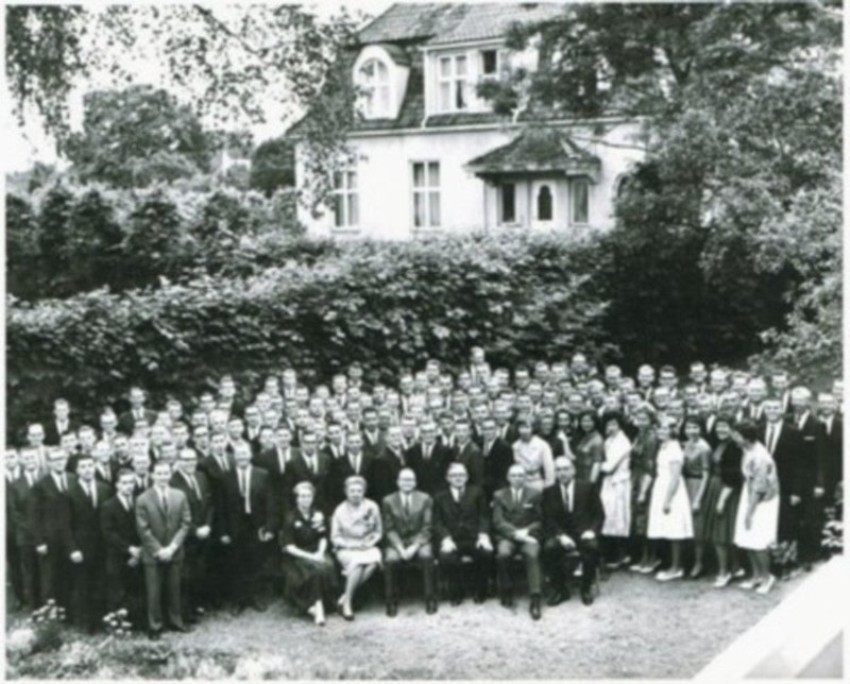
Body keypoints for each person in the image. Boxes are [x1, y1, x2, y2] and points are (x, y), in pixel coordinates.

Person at [135, 461, 192, 638]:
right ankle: (155, 626)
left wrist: (172, 547)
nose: (162, 477)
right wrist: (159, 550)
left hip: (175, 551)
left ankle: (176, 621)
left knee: (174, 589)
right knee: (154, 592)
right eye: (159, 473)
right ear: (152, 475)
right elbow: (143, 529)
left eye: (166, 473)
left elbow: (185, 523)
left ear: (170, 474)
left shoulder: (179, 495)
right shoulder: (143, 498)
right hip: (153, 554)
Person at [220, 442, 275, 613]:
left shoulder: (263, 474)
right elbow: (221, 507)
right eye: (239, 454)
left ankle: (255, 597)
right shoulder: (226, 477)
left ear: (250, 455)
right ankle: (239, 600)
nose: (242, 457)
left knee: (256, 561)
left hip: (256, 524)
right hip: (235, 525)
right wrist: (223, 532)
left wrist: (269, 527)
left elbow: (270, 503)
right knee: (237, 562)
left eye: (245, 453)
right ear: (234, 457)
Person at [542, 456, 604, 606]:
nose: (562, 473)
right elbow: (548, 518)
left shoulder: (587, 488)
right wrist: (560, 535)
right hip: (562, 534)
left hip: (583, 532)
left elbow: (599, 515)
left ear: (573, 470)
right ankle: (560, 590)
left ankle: (586, 587)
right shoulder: (550, 491)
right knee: (549, 548)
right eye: (558, 470)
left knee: (592, 547)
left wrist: (592, 531)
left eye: (566, 469)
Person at [432, 463, 493, 605]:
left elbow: (484, 517)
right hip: (452, 539)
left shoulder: (477, 493)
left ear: (466, 477)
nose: (458, 478)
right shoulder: (439, 497)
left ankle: (480, 590)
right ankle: (456, 591)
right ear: (447, 478)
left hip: (473, 538)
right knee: (446, 557)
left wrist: (483, 535)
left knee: (486, 553)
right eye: (454, 475)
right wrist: (446, 538)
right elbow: (437, 522)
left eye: (461, 475)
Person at [732, 420, 780, 594]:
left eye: (736, 435)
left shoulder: (760, 456)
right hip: (749, 494)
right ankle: (756, 576)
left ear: (746, 437)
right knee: (747, 538)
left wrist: (749, 512)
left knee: (758, 540)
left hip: (762, 501)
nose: (733, 437)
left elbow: (760, 488)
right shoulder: (747, 450)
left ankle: (767, 577)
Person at [280, 481, 337, 626]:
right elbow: (289, 547)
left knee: (328, 565)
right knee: (314, 571)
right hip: (297, 555)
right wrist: (311, 557)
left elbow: (323, 537)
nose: (306, 499)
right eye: (302, 496)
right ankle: (318, 608)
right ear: (297, 499)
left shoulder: (317, 515)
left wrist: (320, 553)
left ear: (313, 498)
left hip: (316, 551)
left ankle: (315, 607)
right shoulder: (290, 517)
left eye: (308, 496)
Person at [381, 468, 436, 616]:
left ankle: (430, 598)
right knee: (391, 559)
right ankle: (391, 601)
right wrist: (400, 548)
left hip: (419, 540)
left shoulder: (425, 498)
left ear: (415, 482)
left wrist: (415, 546)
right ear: (398, 482)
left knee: (426, 556)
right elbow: (389, 528)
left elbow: (427, 526)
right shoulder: (388, 500)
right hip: (397, 541)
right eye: (404, 480)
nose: (407, 483)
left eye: (410, 480)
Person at [68, 454, 112, 632]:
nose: (87, 470)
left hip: (103, 545)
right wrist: (72, 548)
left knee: (102, 582)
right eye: (83, 467)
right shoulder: (69, 492)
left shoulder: (105, 488)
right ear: (77, 471)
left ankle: (103, 618)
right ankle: (87, 622)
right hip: (82, 547)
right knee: (83, 584)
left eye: (90, 466)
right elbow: (64, 525)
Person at [492, 465, 543, 620]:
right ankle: (507, 589)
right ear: (508, 478)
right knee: (503, 554)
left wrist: (527, 531)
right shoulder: (499, 495)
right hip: (508, 536)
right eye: (513, 475)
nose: (517, 478)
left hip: (529, 535)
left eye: (521, 475)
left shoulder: (535, 494)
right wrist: (515, 533)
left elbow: (540, 519)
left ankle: (535, 598)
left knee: (532, 555)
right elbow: (498, 521)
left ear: (525, 477)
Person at [169, 447, 213, 623]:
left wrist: (208, 525)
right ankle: (184, 613)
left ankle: (196, 606)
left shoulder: (201, 477)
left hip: (204, 533)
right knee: (184, 576)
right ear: (178, 461)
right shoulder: (172, 482)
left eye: (193, 459)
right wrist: (195, 530)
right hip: (186, 536)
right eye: (186, 460)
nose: (190, 463)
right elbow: (175, 513)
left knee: (199, 572)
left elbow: (209, 503)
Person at [331, 475, 383, 620]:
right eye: (352, 491)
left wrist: (370, 543)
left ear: (364, 491)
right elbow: (335, 537)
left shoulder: (372, 506)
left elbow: (378, 531)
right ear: (346, 492)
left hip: (366, 545)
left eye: (359, 491)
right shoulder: (339, 510)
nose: (355, 494)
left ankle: (344, 597)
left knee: (374, 562)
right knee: (358, 564)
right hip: (346, 547)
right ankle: (348, 603)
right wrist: (351, 545)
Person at [646, 418, 693, 581]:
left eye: (665, 429)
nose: (661, 431)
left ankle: (676, 567)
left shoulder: (674, 448)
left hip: (672, 491)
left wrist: (667, 500)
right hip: (661, 486)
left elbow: (675, 477)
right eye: (659, 428)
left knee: (675, 530)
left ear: (673, 431)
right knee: (666, 528)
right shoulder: (663, 446)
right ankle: (671, 564)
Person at [29, 447, 76, 609]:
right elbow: (34, 516)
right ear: (48, 463)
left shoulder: (73, 479)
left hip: (71, 537)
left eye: (62, 458)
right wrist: (39, 541)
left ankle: (69, 609)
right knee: (51, 577)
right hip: (50, 538)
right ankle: (51, 611)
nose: (59, 462)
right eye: (55, 460)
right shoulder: (40, 485)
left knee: (70, 574)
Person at [701, 417, 744, 588]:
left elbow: (734, 478)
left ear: (732, 429)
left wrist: (722, 500)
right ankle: (735, 567)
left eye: (725, 427)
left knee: (721, 533)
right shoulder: (720, 444)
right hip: (716, 487)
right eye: (718, 426)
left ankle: (723, 572)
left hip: (726, 490)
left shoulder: (734, 447)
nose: (720, 430)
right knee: (724, 531)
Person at [100, 469, 143, 623]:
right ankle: (117, 623)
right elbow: (109, 533)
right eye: (124, 483)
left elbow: (145, 528)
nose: (128, 486)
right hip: (117, 555)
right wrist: (129, 549)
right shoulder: (108, 506)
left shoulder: (140, 502)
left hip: (139, 553)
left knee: (137, 588)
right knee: (117, 590)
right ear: (117, 485)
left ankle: (137, 621)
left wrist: (139, 550)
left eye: (131, 482)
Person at [599, 412, 631, 568]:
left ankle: (622, 556)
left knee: (618, 518)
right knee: (608, 517)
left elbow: (609, 467)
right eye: (608, 424)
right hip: (609, 482)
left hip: (619, 482)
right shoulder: (609, 440)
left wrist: (594, 463)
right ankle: (612, 555)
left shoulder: (623, 442)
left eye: (614, 424)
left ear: (620, 425)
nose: (610, 427)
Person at [681, 417, 711, 578]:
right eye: (688, 427)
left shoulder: (704, 448)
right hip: (684, 484)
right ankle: (686, 561)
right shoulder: (684, 444)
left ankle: (699, 563)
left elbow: (706, 474)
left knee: (698, 526)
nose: (691, 431)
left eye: (695, 427)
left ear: (701, 429)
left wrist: (698, 498)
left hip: (697, 484)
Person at [511, 419, 555, 491]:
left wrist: (548, 485)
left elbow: (549, 467)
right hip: (520, 482)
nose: (524, 431)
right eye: (521, 427)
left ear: (532, 428)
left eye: (527, 427)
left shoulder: (542, 444)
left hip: (537, 481)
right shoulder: (515, 446)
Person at [571, 411, 604, 486]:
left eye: (589, 421)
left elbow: (597, 464)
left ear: (595, 422)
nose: (586, 424)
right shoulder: (586, 436)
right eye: (584, 421)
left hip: (588, 478)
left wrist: (591, 485)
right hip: (579, 476)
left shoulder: (597, 439)